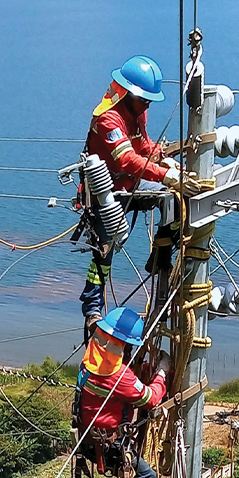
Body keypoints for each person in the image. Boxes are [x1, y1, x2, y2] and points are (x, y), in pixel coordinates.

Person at [79, 55, 186, 336]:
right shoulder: (108, 118)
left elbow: (142, 145)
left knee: (176, 202)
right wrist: (162, 174)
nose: (148, 104)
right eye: (144, 99)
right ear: (128, 93)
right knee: (104, 253)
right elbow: (126, 159)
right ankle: (92, 310)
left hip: (132, 185)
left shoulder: (138, 111)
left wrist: (163, 159)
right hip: (107, 192)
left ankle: (161, 254)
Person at [76, 306, 186, 478]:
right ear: (126, 346)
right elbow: (150, 398)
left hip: (91, 442)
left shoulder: (91, 359)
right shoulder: (117, 376)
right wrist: (161, 373)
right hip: (109, 446)